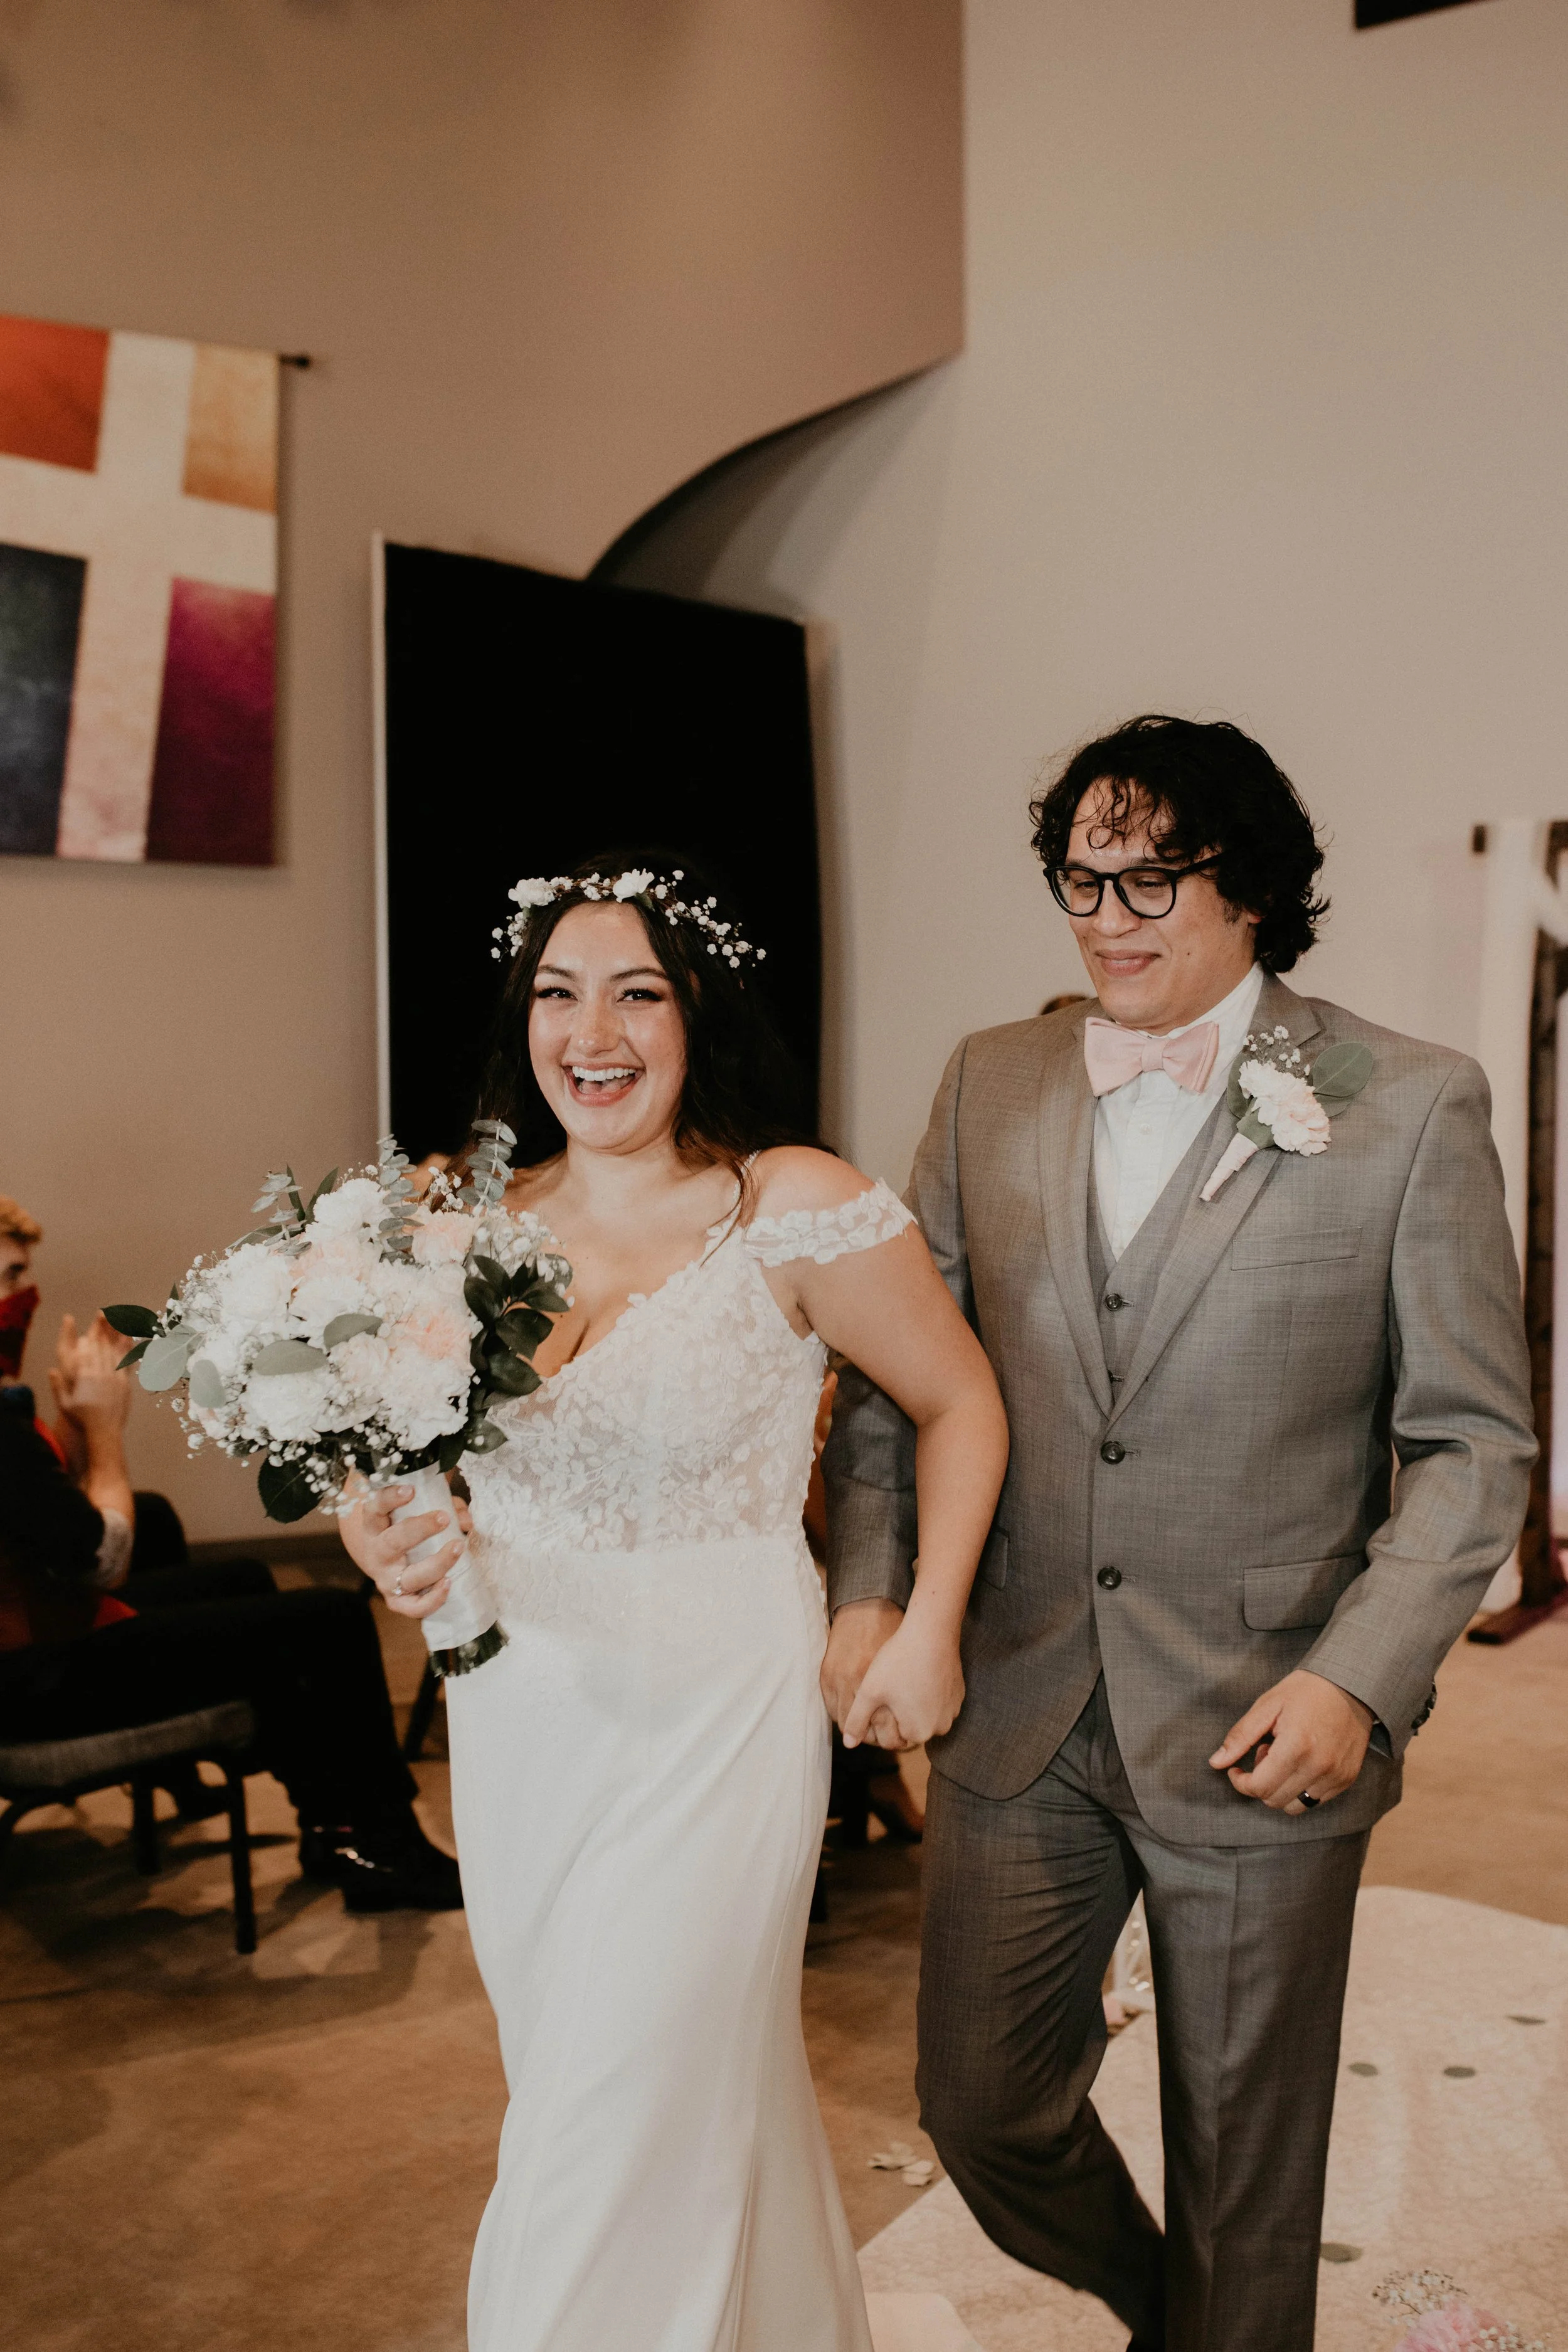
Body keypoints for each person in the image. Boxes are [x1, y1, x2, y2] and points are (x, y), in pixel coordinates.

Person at [820, 716, 1535, 2352]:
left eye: (1153, 874)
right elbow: (891, 1379)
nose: (1106, 910)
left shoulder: (1408, 1102)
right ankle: (1176, 2313)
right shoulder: (985, 1077)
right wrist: (872, 1586)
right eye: (1082, 873)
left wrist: (1355, 1679)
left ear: (1254, 890)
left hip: (1266, 1710)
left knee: (1245, 2176)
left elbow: (1470, 1447)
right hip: (1018, 1695)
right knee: (980, 2099)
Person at [341, 856, 1008, 2352]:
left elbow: (961, 1399)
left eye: (637, 989)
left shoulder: (793, 1204)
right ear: (524, 1022)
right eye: (559, 991)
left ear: (696, 1013)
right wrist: (377, 1538)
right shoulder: (455, 1223)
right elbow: (380, 1473)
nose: (597, 1027)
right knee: (653, 2085)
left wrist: (923, 1620)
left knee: (610, 2108)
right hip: (517, 1716)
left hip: (718, 1707)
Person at [0, 1282, 461, 1915]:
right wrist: (105, 1430)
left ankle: (336, 1826)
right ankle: (387, 1848)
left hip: (38, 1633)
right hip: (28, 1685)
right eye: (6, 1277)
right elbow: (102, 1561)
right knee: (330, 1619)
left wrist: (72, 1421)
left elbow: (44, 1519)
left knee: (243, 1578)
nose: (20, 1298)